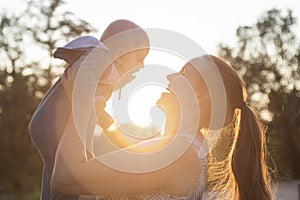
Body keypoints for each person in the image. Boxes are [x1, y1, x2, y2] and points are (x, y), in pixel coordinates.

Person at [50, 55, 273, 199]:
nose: (170, 75)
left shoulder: (177, 155)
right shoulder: (182, 149)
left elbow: (66, 178)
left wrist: (78, 104)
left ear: (202, 96)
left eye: (184, 73)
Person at [29, 19, 149, 200]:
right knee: (72, 175)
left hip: (49, 125)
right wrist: (86, 103)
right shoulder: (99, 57)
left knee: (55, 176)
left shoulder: (108, 70)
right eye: (140, 58)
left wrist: (102, 115)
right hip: (52, 125)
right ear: (121, 53)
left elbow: (92, 98)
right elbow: (82, 78)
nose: (142, 65)